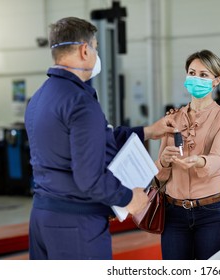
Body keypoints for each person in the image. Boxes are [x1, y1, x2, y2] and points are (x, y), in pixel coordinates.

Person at [24, 17, 176, 260]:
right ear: (85, 50)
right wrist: (129, 198)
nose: (95, 53)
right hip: (77, 225)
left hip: (42, 219)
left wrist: (147, 131)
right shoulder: (80, 102)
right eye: (95, 46)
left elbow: (90, 142)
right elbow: (89, 178)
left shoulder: (39, 98)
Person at [155, 50, 220, 260]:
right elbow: (160, 175)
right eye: (192, 73)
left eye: (203, 75)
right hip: (174, 213)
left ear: (216, 80)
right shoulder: (172, 118)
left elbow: (218, 158)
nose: (196, 78)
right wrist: (163, 161)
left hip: (213, 213)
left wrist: (199, 160)